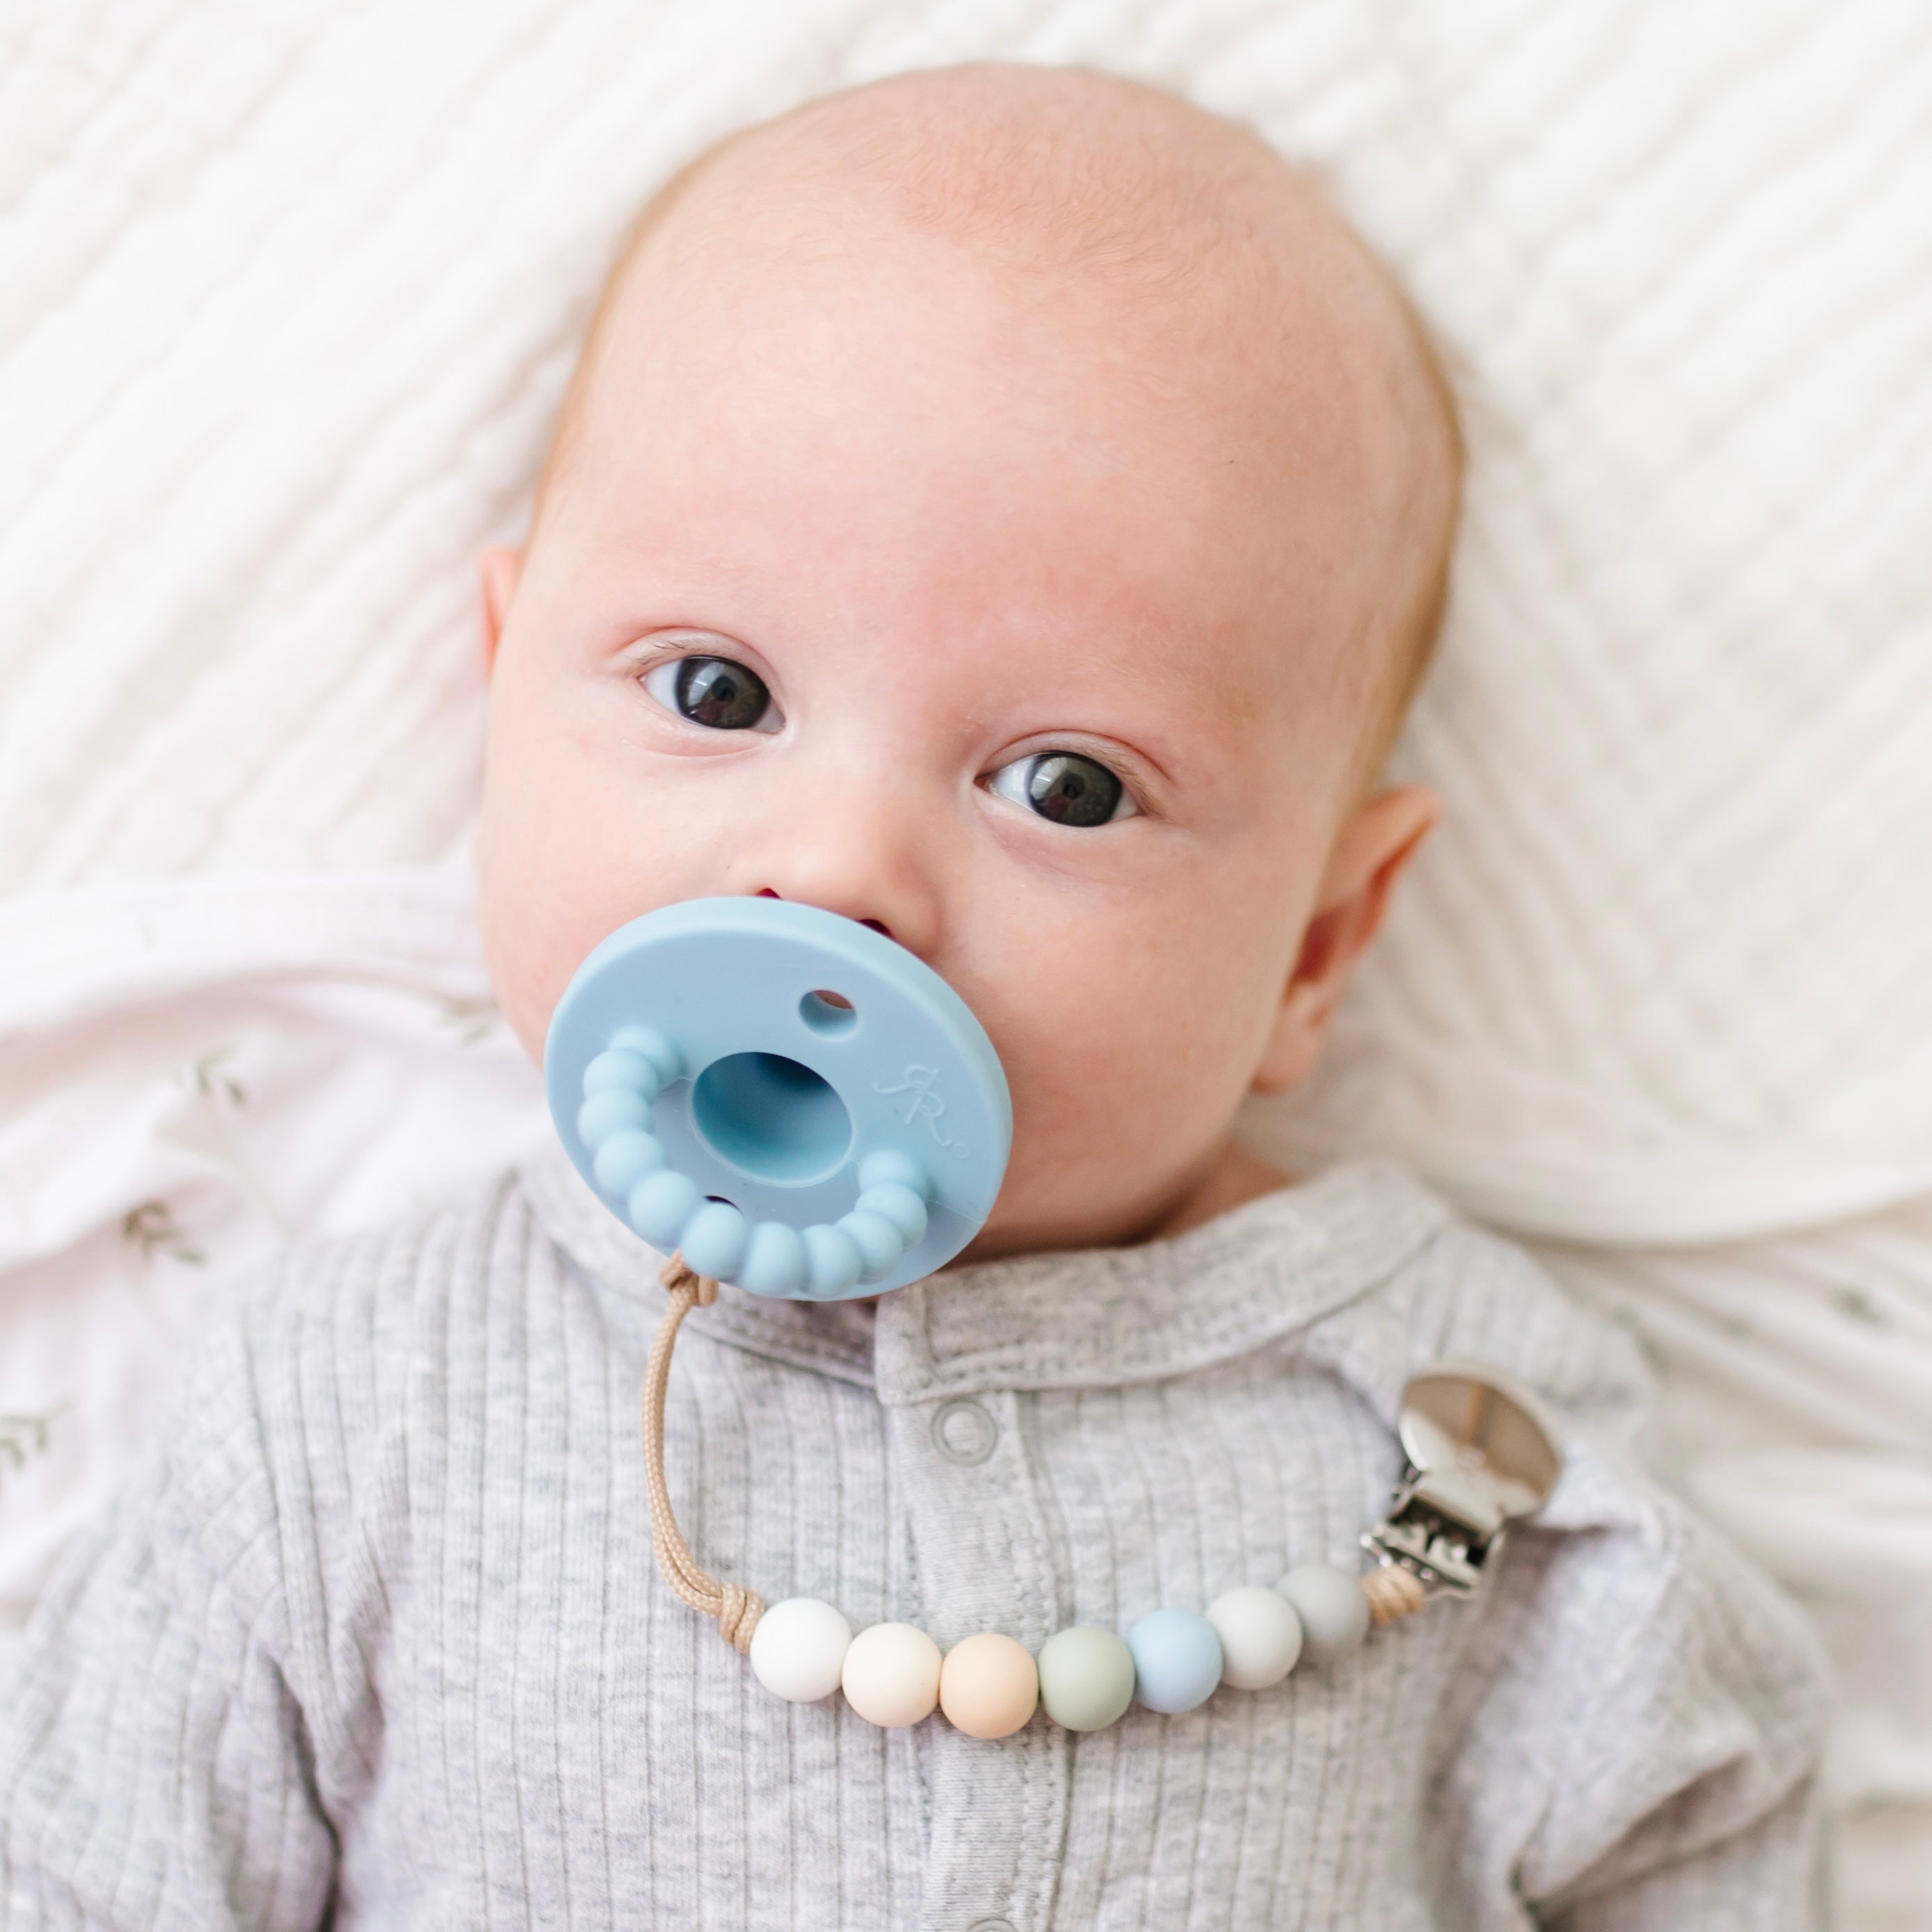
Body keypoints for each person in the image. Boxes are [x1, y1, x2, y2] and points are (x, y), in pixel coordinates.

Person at [0, 65, 1825, 1929]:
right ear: (500, 703)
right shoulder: (341, 1403)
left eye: (1070, 787)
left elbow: (1703, 1829)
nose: (844, 868)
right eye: (717, 693)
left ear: (1313, 949)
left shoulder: (1461, 1423)